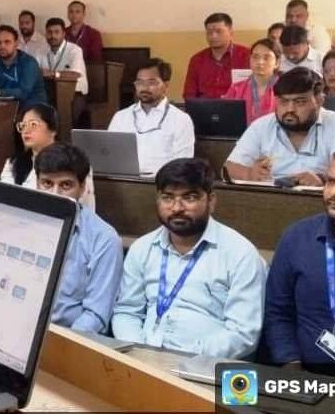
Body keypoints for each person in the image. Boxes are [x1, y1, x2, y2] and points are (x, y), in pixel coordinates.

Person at [111, 158, 266, 359]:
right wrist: (140, 353)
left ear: (211, 201)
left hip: (205, 365)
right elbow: (127, 312)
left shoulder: (240, 254)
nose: (177, 208)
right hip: (143, 359)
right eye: (167, 198)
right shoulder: (142, 248)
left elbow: (243, 333)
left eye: (189, 197)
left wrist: (181, 359)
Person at [34, 143, 121, 333]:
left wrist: (59, 344)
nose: (55, 194)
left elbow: (96, 315)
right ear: (37, 182)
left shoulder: (104, 238)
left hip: (68, 336)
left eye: (65, 185)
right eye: (47, 183)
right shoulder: (23, 224)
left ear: (82, 188)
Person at [263, 156, 335, 375]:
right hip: (308, 371)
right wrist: (291, 366)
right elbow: (278, 313)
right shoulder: (297, 237)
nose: (332, 193)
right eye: (331, 182)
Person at [224, 67, 335, 186]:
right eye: (284, 102)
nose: (290, 109)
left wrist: (322, 180)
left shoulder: (332, 123)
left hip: (318, 196)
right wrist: (249, 173)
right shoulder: (261, 126)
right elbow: (228, 168)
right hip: (270, 195)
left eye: (300, 102)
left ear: (319, 101)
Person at [108, 58, 195, 174]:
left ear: (166, 85)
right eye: (140, 82)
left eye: (151, 83)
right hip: (124, 178)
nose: (144, 88)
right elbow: (109, 154)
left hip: (162, 182)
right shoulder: (121, 117)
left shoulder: (180, 119)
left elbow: (182, 163)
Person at [1, 103, 95, 208]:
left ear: (53, 130)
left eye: (33, 124)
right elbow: (5, 199)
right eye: (23, 126)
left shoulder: (74, 162)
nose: (26, 131)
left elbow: (86, 208)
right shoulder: (13, 163)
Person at [0, 25, 48, 109]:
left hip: (34, 110)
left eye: (7, 42)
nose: (2, 46)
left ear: (16, 43)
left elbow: (23, 92)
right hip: (4, 110)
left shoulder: (29, 63)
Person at [183, 13, 251, 99]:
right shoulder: (197, 59)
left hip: (236, 105)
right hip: (204, 106)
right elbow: (189, 94)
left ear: (231, 32)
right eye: (209, 32)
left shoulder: (247, 56)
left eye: (219, 31)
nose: (213, 36)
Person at [38, 17, 88, 124]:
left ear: (63, 34)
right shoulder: (41, 50)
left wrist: (52, 74)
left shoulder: (75, 50)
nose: (53, 36)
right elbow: (35, 71)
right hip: (49, 93)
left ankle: (64, 134)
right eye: (49, 32)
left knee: (62, 114)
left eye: (57, 32)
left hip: (74, 94)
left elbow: (75, 74)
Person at [221, 38, 280, 124]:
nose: (260, 62)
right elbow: (225, 116)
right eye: (255, 57)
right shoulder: (236, 89)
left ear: (277, 63)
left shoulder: (285, 90)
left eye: (266, 58)